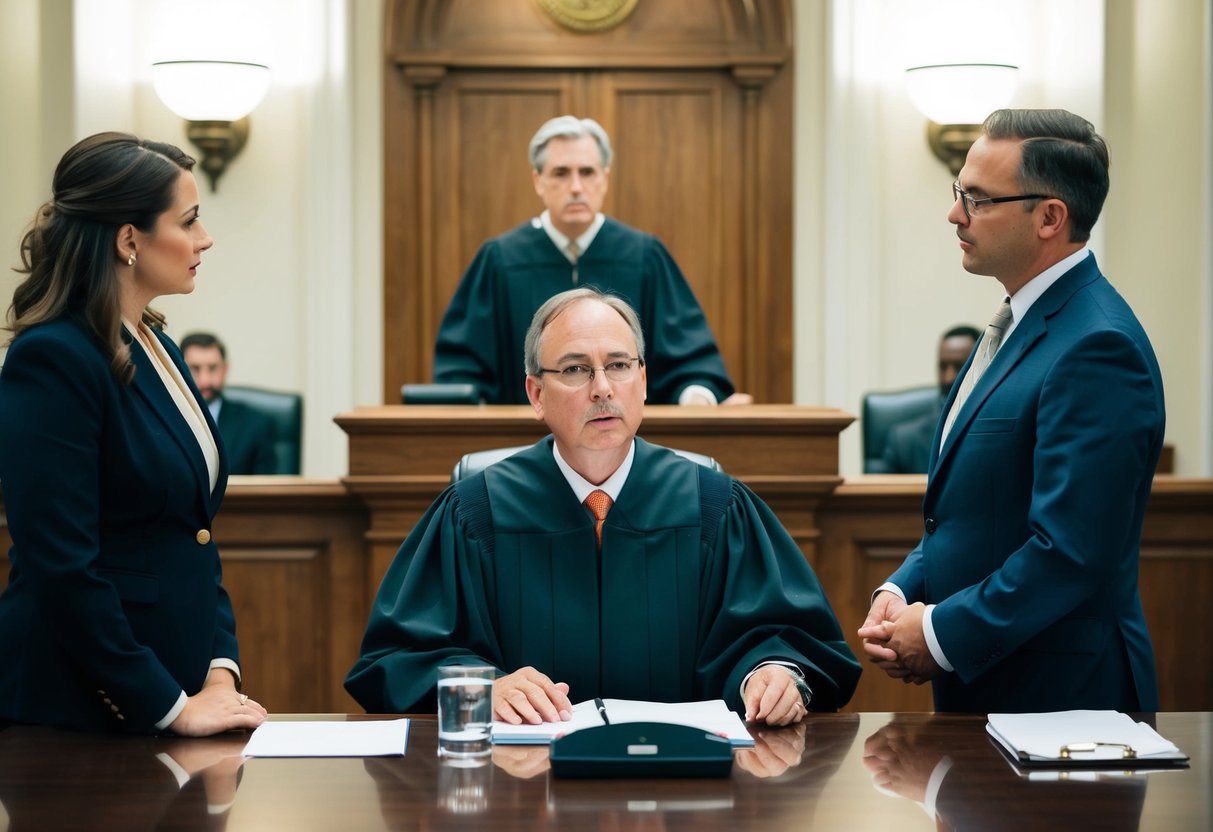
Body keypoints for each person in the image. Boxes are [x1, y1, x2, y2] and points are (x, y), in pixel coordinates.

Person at [348, 287, 859, 724]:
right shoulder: (476, 511)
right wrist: (485, 689)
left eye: (618, 365)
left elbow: (787, 636)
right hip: (521, 793)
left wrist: (772, 672)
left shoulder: (713, 506)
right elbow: (396, 658)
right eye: (575, 369)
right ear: (536, 394)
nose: (601, 388)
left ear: (643, 380)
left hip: (682, 792)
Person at [858, 109, 1165, 713]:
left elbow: (1070, 552)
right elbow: (975, 513)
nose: (955, 215)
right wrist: (902, 589)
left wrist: (941, 634)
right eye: (959, 194)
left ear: (1050, 216)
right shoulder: (1017, 322)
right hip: (993, 690)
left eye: (977, 199)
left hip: (1064, 705)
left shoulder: (1097, 346)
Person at [0, 132, 268, 734]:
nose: (205, 239)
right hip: (78, 706)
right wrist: (169, 705)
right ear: (129, 239)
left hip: (178, 684)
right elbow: (60, 565)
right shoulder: (54, 358)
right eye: (190, 220)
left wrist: (218, 667)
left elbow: (189, 532)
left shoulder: (157, 344)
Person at [432, 115, 751, 406]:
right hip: (522, 450)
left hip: (628, 452)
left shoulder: (644, 256)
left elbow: (690, 362)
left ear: (605, 178)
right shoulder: (500, 260)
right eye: (560, 173)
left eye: (587, 172)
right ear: (538, 180)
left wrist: (698, 399)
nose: (575, 187)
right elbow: (463, 371)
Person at [881, 325, 980, 474]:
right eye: (943, 367)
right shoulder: (904, 441)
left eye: (959, 367)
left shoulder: (999, 432)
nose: (948, 378)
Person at [179, 331, 278, 475]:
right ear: (179, 370)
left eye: (213, 368)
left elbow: (266, 492)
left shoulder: (257, 425)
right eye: (195, 369)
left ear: (225, 370)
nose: (205, 381)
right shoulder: (161, 421)